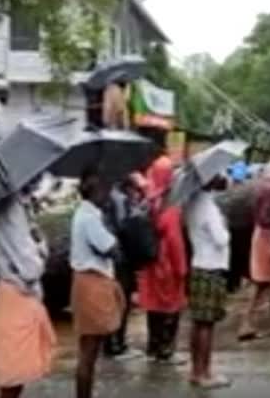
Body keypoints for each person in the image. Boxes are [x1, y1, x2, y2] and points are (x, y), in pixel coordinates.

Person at [0, 191, 56, 398]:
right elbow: (30, 268)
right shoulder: (11, 209)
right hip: (17, 294)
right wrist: (40, 251)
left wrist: (37, 242)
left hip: (13, 293)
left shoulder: (13, 206)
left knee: (15, 371)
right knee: (13, 373)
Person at [70, 172, 125, 398]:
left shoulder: (87, 214)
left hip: (88, 281)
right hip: (93, 283)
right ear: (95, 191)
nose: (108, 194)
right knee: (89, 350)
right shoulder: (89, 218)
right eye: (105, 189)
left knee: (89, 347)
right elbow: (111, 248)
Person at [138, 153, 188, 364]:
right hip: (167, 265)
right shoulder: (171, 209)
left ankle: (153, 346)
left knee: (154, 307)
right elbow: (176, 243)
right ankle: (166, 350)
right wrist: (182, 269)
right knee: (170, 306)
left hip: (150, 263)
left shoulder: (147, 202)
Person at [185, 175, 232, 389]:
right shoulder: (208, 207)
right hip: (212, 267)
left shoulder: (192, 202)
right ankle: (204, 373)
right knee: (207, 324)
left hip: (198, 264)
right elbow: (221, 239)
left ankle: (196, 371)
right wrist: (225, 226)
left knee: (198, 322)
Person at [238, 159, 270, 340]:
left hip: (261, 235)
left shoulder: (262, 187)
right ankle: (252, 322)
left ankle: (260, 322)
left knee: (266, 282)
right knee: (266, 281)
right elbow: (267, 217)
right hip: (267, 236)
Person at [103, 178, 144, 360]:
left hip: (113, 257)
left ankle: (113, 342)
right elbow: (124, 227)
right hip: (120, 257)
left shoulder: (109, 196)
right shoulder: (119, 199)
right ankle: (116, 344)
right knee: (120, 301)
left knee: (116, 301)